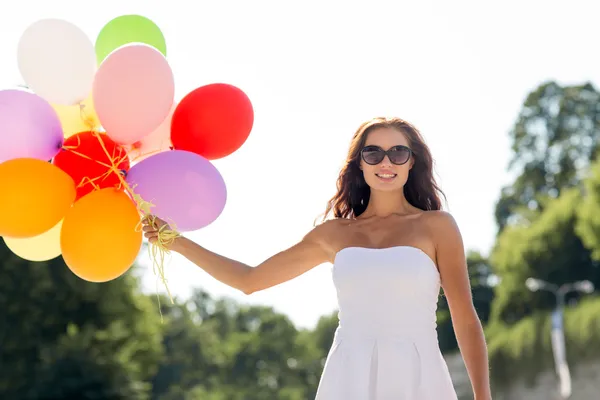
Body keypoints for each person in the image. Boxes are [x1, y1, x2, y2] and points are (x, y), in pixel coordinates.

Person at [142, 117, 492, 399]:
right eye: (373, 153)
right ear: (360, 164)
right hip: (348, 378)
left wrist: (483, 396)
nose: (386, 162)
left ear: (411, 161)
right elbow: (248, 280)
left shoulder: (437, 227)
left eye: (398, 153)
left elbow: (465, 320)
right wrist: (176, 242)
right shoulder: (332, 235)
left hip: (419, 376)